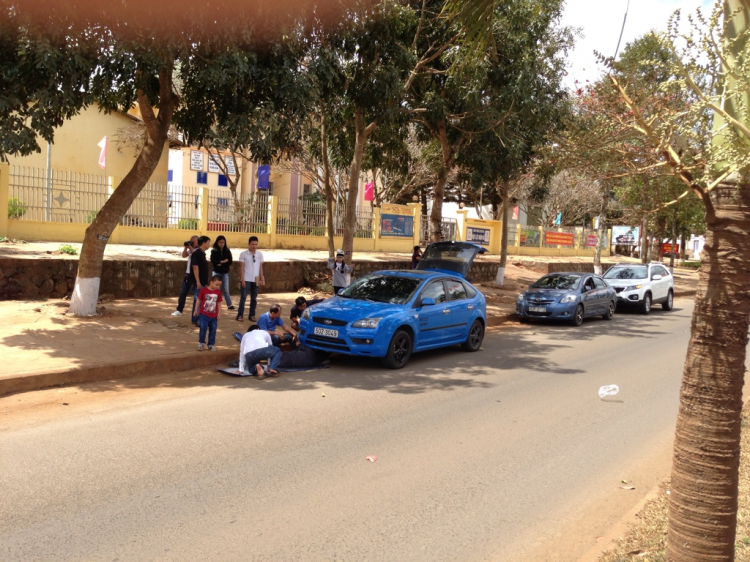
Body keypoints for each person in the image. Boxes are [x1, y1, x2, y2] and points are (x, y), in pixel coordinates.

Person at [237, 236, 265, 322]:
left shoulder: (259, 254)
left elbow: (260, 267)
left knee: (254, 298)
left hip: (255, 279)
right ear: (249, 244)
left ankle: (252, 315)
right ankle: (240, 315)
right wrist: (242, 279)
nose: (254, 246)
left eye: (256, 244)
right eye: (252, 244)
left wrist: (262, 278)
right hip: (246, 278)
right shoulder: (243, 254)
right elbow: (241, 267)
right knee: (243, 297)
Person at [194, 274, 222, 351]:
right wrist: (196, 310)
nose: (217, 287)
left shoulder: (218, 292)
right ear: (211, 282)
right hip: (204, 314)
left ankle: (211, 344)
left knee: (213, 330)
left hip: (213, 315)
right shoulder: (203, 290)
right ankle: (201, 343)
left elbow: (219, 303)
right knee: (203, 328)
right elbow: (199, 300)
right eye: (216, 284)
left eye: (219, 285)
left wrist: (219, 313)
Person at [172, 235, 199, 316]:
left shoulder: (198, 250)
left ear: (197, 241)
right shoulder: (190, 249)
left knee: (196, 295)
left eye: (193, 241)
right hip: (187, 274)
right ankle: (179, 310)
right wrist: (186, 247)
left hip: (193, 276)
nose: (191, 243)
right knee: (183, 293)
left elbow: (195, 257)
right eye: (190, 241)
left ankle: (196, 313)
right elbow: (183, 255)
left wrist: (190, 248)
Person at [190, 236, 211, 325]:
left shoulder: (202, 253)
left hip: (202, 282)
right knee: (199, 300)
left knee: (197, 300)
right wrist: (198, 281)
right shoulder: (197, 253)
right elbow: (195, 267)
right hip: (197, 283)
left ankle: (195, 318)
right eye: (208, 242)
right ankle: (198, 319)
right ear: (204, 243)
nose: (209, 244)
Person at [210, 235, 234, 311]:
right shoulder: (214, 251)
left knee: (226, 289)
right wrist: (223, 261)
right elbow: (213, 261)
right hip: (216, 272)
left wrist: (221, 263)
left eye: (223, 242)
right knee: (216, 288)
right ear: (217, 242)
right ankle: (215, 304)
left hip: (225, 272)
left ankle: (229, 304)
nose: (221, 244)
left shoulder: (227, 251)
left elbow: (230, 261)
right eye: (220, 242)